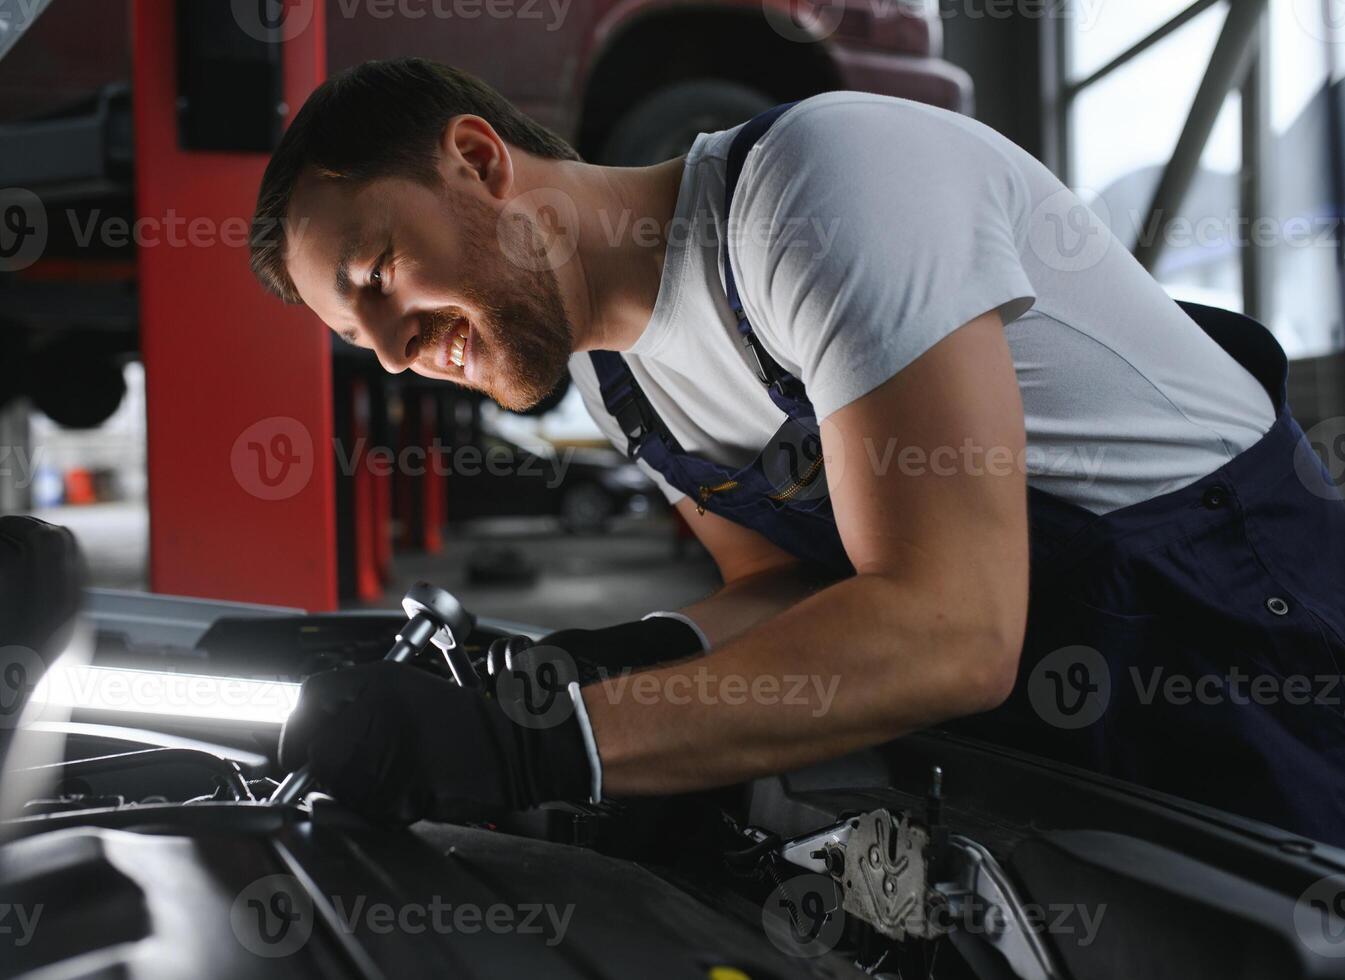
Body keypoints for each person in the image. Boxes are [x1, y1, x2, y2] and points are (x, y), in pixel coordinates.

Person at [250, 59, 1345, 843]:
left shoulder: (816, 194)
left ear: (479, 160)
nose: (395, 355)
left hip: (1254, 651)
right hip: (1081, 719)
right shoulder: (618, 376)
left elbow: (951, 627)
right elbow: (791, 586)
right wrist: (593, 664)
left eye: (379, 275)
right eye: (360, 341)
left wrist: (538, 746)